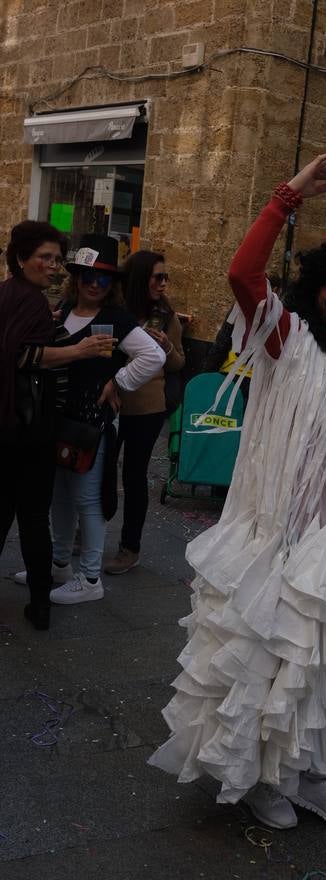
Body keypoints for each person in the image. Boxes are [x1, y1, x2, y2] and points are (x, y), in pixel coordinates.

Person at [149, 151, 326, 834]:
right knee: (264, 672)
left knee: (325, 675)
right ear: (315, 287)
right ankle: (263, 779)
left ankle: (316, 780)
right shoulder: (282, 338)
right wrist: (289, 195)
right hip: (273, 540)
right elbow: (242, 272)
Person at [31, 235, 165, 606]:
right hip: (57, 418)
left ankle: (90, 578)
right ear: (76, 277)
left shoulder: (116, 319)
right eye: (87, 275)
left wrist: (118, 381)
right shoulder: (63, 308)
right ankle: (58, 564)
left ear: (113, 284)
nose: (93, 283)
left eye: (102, 278)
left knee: (87, 499)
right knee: (59, 494)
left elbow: (153, 356)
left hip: (91, 423)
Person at [1, 221, 113, 629]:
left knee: (7, 512)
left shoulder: (13, 295)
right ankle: (40, 605)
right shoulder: (28, 300)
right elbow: (23, 357)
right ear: (20, 258)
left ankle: (40, 601)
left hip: (10, 425)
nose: (51, 266)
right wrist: (80, 349)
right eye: (43, 257)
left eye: (55, 259)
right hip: (29, 428)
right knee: (32, 516)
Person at [104, 251, 185, 575]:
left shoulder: (166, 316)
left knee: (134, 476)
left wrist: (165, 345)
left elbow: (179, 363)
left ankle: (129, 548)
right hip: (111, 401)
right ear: (139, 278)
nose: (163, 284)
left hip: (148, 407)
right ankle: (86, 532)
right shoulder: (116, 310)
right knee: (100, 469)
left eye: (166, 277)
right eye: (157, 277)